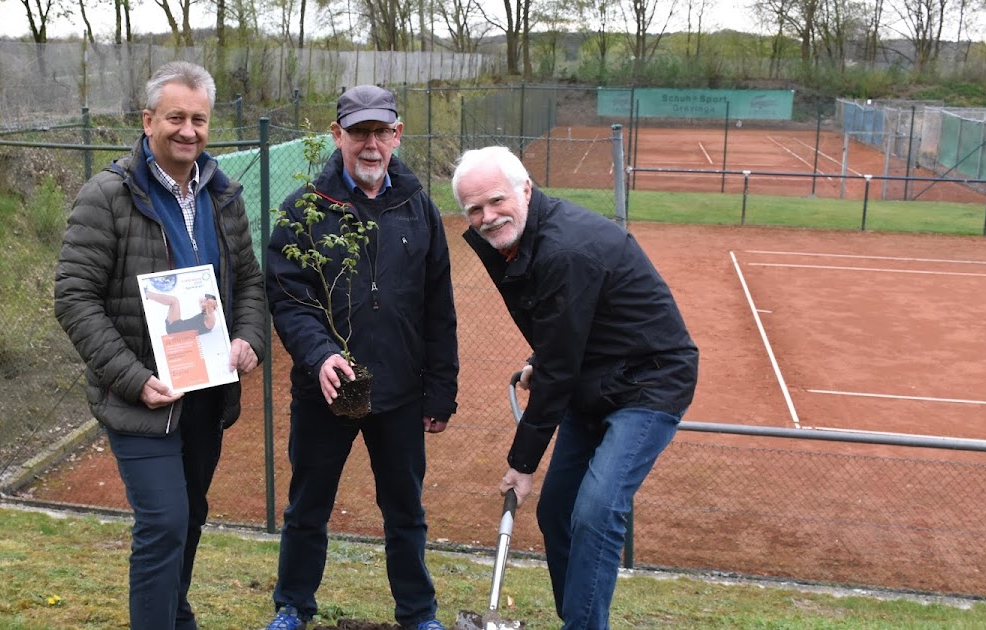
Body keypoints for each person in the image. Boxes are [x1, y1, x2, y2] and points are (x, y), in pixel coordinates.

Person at [54, 61, 266, 630]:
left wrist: (248, 338)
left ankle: (175, 614)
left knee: (190, 515)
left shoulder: (223, 195)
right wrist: (131, 378)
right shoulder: (107, 195)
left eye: (199, 119)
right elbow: (74, 298)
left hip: (206, 392)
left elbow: (248, 281)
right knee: (165, 521)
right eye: (175, 117)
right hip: (142, 398)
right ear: (149, 121)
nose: (188, 130)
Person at [451, 146, 699, 630]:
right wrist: (537, 359)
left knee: (596, 511)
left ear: (526, 189)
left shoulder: (566, 247)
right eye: (473, 209)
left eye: (496, 200)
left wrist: (522, 466)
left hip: (648, 382)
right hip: (593, 377)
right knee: (557, 512)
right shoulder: (517, 240)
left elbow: (562, 364)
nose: (486, 217)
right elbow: (564, 321)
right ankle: (580, 619)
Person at [263, 85, 459, 630]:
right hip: (326, 389)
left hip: (399, 390)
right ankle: (293, 606)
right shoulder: (305, 209)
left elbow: (437, 306)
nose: (370, 145)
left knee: (406, 513)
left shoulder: (418, 205)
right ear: (338, 136)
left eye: (381, 132)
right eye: (359, 133)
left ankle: (418, 614)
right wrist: (319, 354)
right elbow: (287, 296)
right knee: (307, 509)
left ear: (397, 135)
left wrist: (441, 389)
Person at [145, 290, 221, 335]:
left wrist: (210, 301)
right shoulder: (205, 313)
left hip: (178, 330)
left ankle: (147, 294)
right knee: (174, 301)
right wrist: (207, 300)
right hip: (178, 329)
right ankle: (147, 293)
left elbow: (209, 304)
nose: (204, 301)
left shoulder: (210, 318)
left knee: (174, 300)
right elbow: (200, 300)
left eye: (207, 300)